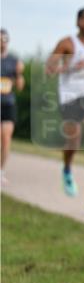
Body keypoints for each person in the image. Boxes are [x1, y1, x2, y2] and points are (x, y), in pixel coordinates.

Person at [45, 8, 84, 210]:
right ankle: (66, 169)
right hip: (70, 97)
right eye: (83, 20)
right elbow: (49, 69)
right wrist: (70, 67)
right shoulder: (67, 43)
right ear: (77, 23)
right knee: (74, 140)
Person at [1, 29, 25, 184]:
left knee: (6, 138)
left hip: (8, 104)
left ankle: (1, 170)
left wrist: (19, 75)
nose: (2, 42)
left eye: (4, 39)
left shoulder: (14, 60)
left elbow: (20, 86)